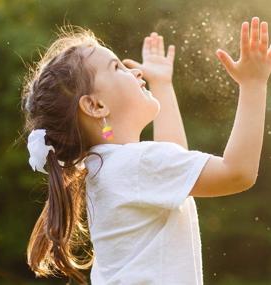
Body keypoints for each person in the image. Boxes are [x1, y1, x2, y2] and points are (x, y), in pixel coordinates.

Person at [21, 16, 271, 284]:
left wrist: (162, 84)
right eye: (117, 67)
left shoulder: (104, 168)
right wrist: (253, 84)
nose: (136, 72)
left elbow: (173, 160)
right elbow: (237, 173)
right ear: (95, 106)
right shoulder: (135, 165)